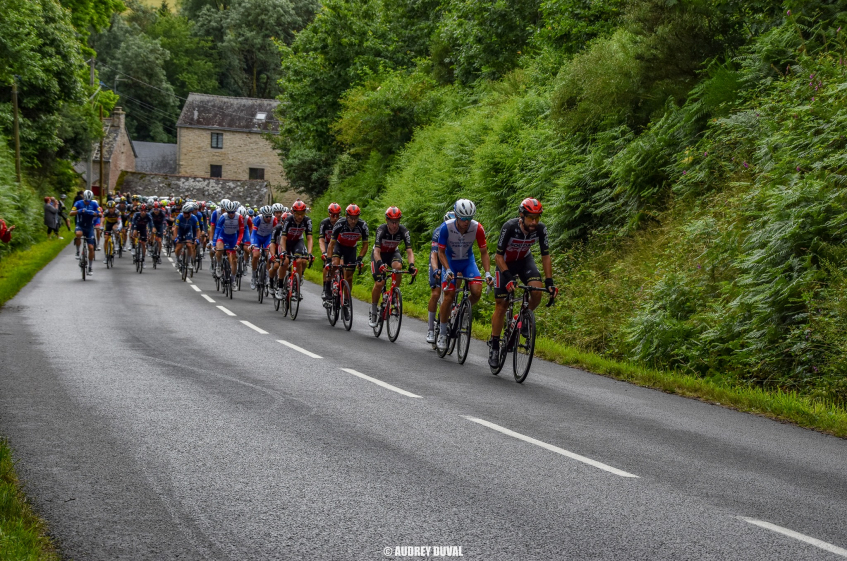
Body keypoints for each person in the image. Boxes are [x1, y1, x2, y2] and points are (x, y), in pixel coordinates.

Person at [488, 198, 558, 367]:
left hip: (525, 261)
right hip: (505, 263)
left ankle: (521, 318)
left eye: (537, 218)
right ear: (522, 215)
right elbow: (498, 256)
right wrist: (509, 277)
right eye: (530, 218)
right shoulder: (510, 227)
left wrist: (549, 281)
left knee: (537, 290)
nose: (534, 222)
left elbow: (545, 255)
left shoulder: (540, 229)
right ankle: (495, 345)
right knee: (501, 303)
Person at [436, 199, 494, 351]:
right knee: (448, 296)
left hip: (468, 262)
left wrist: (488, 273)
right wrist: (447, 269)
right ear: (456, 215)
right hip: (450, 262)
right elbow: (440, 253)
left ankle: (460, 309)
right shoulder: (446, 228)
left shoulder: (477, 228)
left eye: (469, 218)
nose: (466, 222)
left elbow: (484, 252)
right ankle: (442, 333)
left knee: (477, 292)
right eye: (463, 219)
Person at [369, 206, 416, 327]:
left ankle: (394, 295)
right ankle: (374, 310)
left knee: (398, 268)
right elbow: (376, 252)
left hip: (392, 253)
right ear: (387, 221)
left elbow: (409, 251)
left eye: (397, 222)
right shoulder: (381, 230)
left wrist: (412, 265)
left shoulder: (403, 231)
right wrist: (380, 264)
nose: (395, 225)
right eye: (392, 222)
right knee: (379, 283)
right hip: (379, 255)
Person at [325, 204, 369, 307]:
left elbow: (365, 245)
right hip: (339, 246)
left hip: (351, 248)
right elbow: (331, 244)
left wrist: (359, 259)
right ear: (346, 216)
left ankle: (346, 300)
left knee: (349, 276)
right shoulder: (339, 224)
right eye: (351, 218)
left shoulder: (362, 225)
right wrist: (328, 260)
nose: (353, 221)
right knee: (334, 265)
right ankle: (328, 291)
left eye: (355, 218)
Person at [275, 199, 314, 300]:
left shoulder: (307, 221)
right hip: (287, 242)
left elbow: (309, 238)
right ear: (293, 212)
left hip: (297, 241)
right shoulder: (288, 220)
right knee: (285, 262)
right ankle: (279, 287)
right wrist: (283, 251)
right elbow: (283, 238)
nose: (300, 216)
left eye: (302, 213)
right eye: (297, 214)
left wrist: (310, 253)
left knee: (300, 260)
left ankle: (296, 286)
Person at [426, 211, 454, 343]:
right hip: (438, 262)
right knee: (436, 294)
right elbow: (434, 255)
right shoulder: (438, 232)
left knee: (452, 293)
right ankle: (431, 329)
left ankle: (452, 313)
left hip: (450, 263)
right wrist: (436, 270)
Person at [69, 190, 101, 276]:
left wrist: (95, 213)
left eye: (89, 201)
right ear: (84, 198)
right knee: (78, 234)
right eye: (86, 200)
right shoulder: (78, 203)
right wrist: (78, 211)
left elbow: (100, 214)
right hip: (80, 225)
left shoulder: (94, 204)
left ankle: (90, 267)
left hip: (89, 227)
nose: (87, 202)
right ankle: (78, 251)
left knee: (91, 247)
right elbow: (71, 213)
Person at [318, 203, 342, 300]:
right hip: (328, 244)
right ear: (329, 214)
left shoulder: (342, 222)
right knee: (327, 265)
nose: (335, 218)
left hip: (339, 245)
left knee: (342, 264)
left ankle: (341, 284)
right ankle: (325, 288)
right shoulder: (324, 223)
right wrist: (324, 252)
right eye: (333, 215)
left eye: (337, 215)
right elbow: (321, 240)